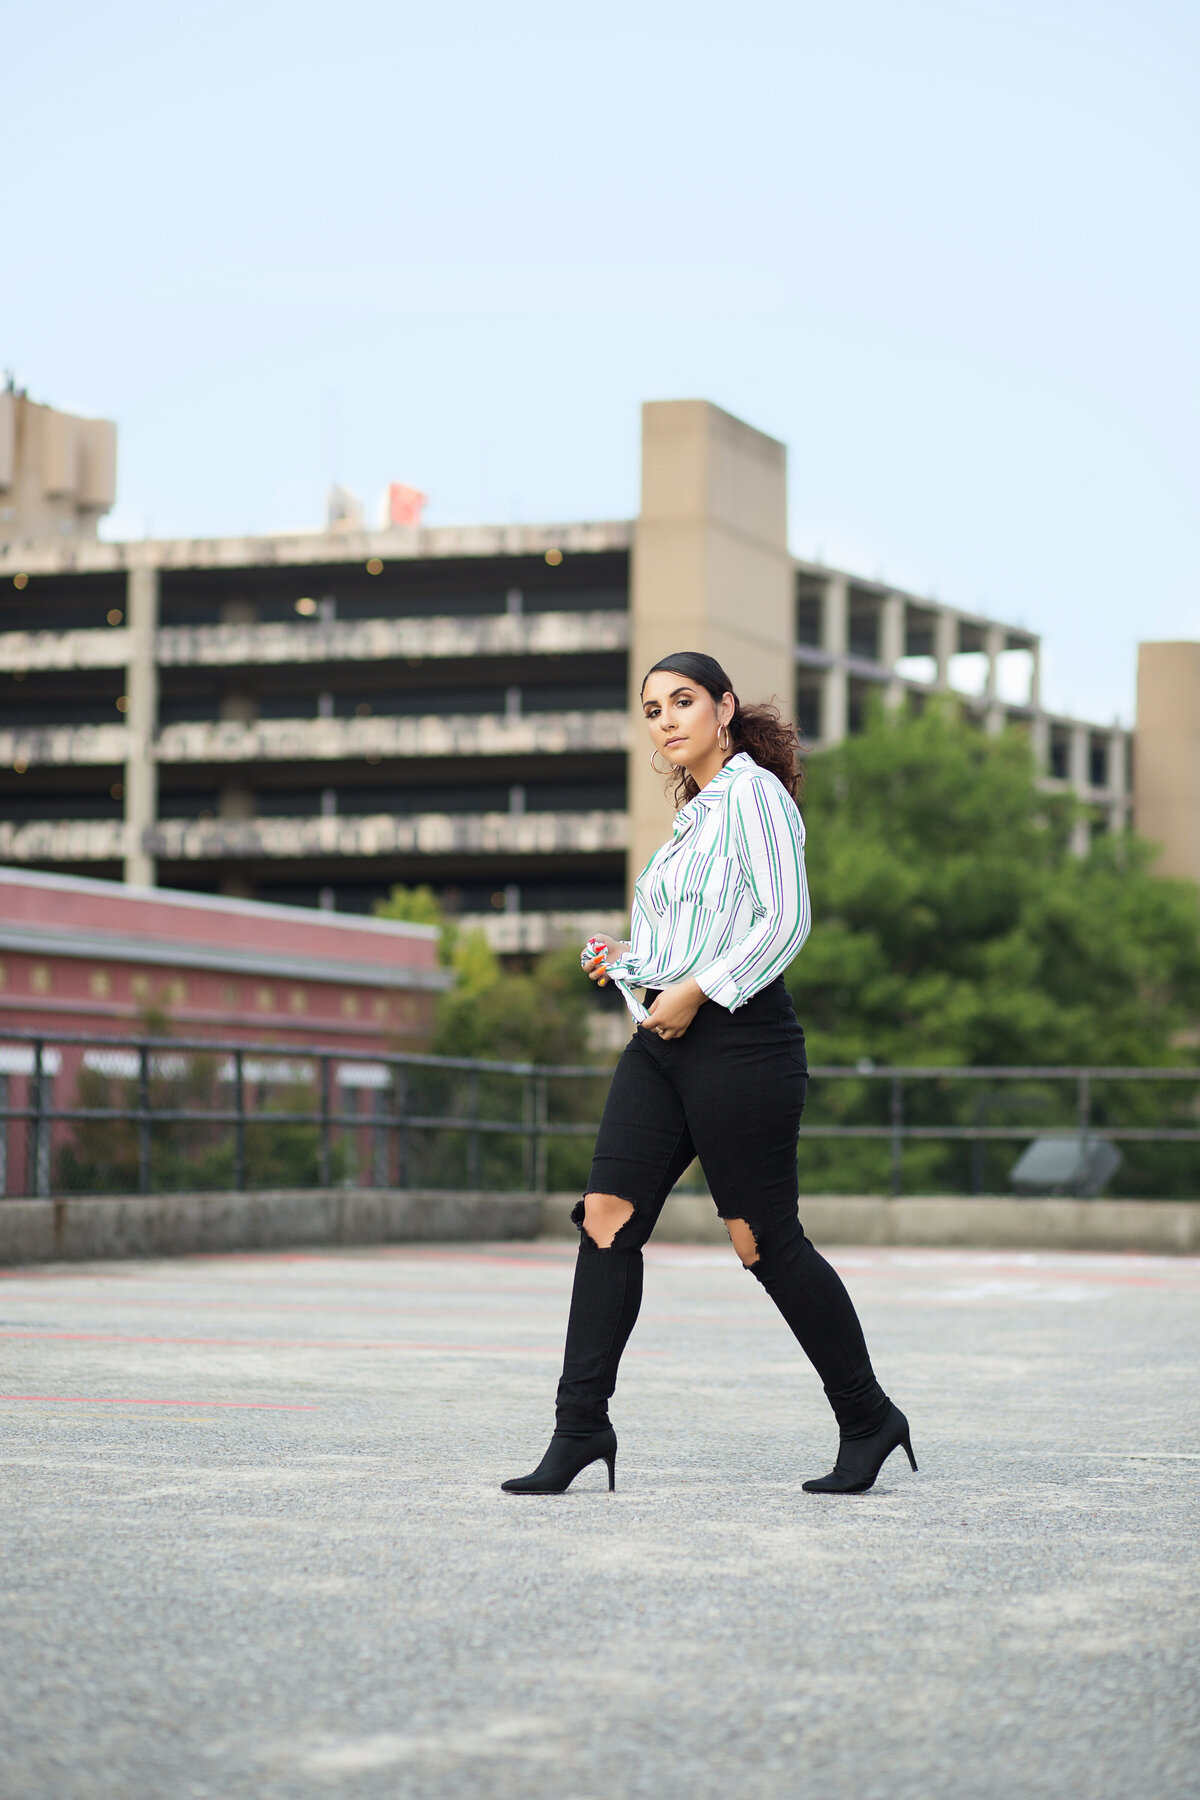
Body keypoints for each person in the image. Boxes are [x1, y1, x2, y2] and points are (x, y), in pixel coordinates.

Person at [501, 651, 915, 1499]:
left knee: (761, 1241)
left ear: (723, 707)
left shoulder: (755, 793)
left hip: (742, 1041)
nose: (666, 720)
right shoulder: (695, 815)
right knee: (608, 1219)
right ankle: (580, 1427)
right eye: (652, 709)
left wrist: (693, 989)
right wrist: (632, 961)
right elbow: (694, 937)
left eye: (682, 702)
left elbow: (786, 918)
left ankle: (869, 1417)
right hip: (664, 1042)